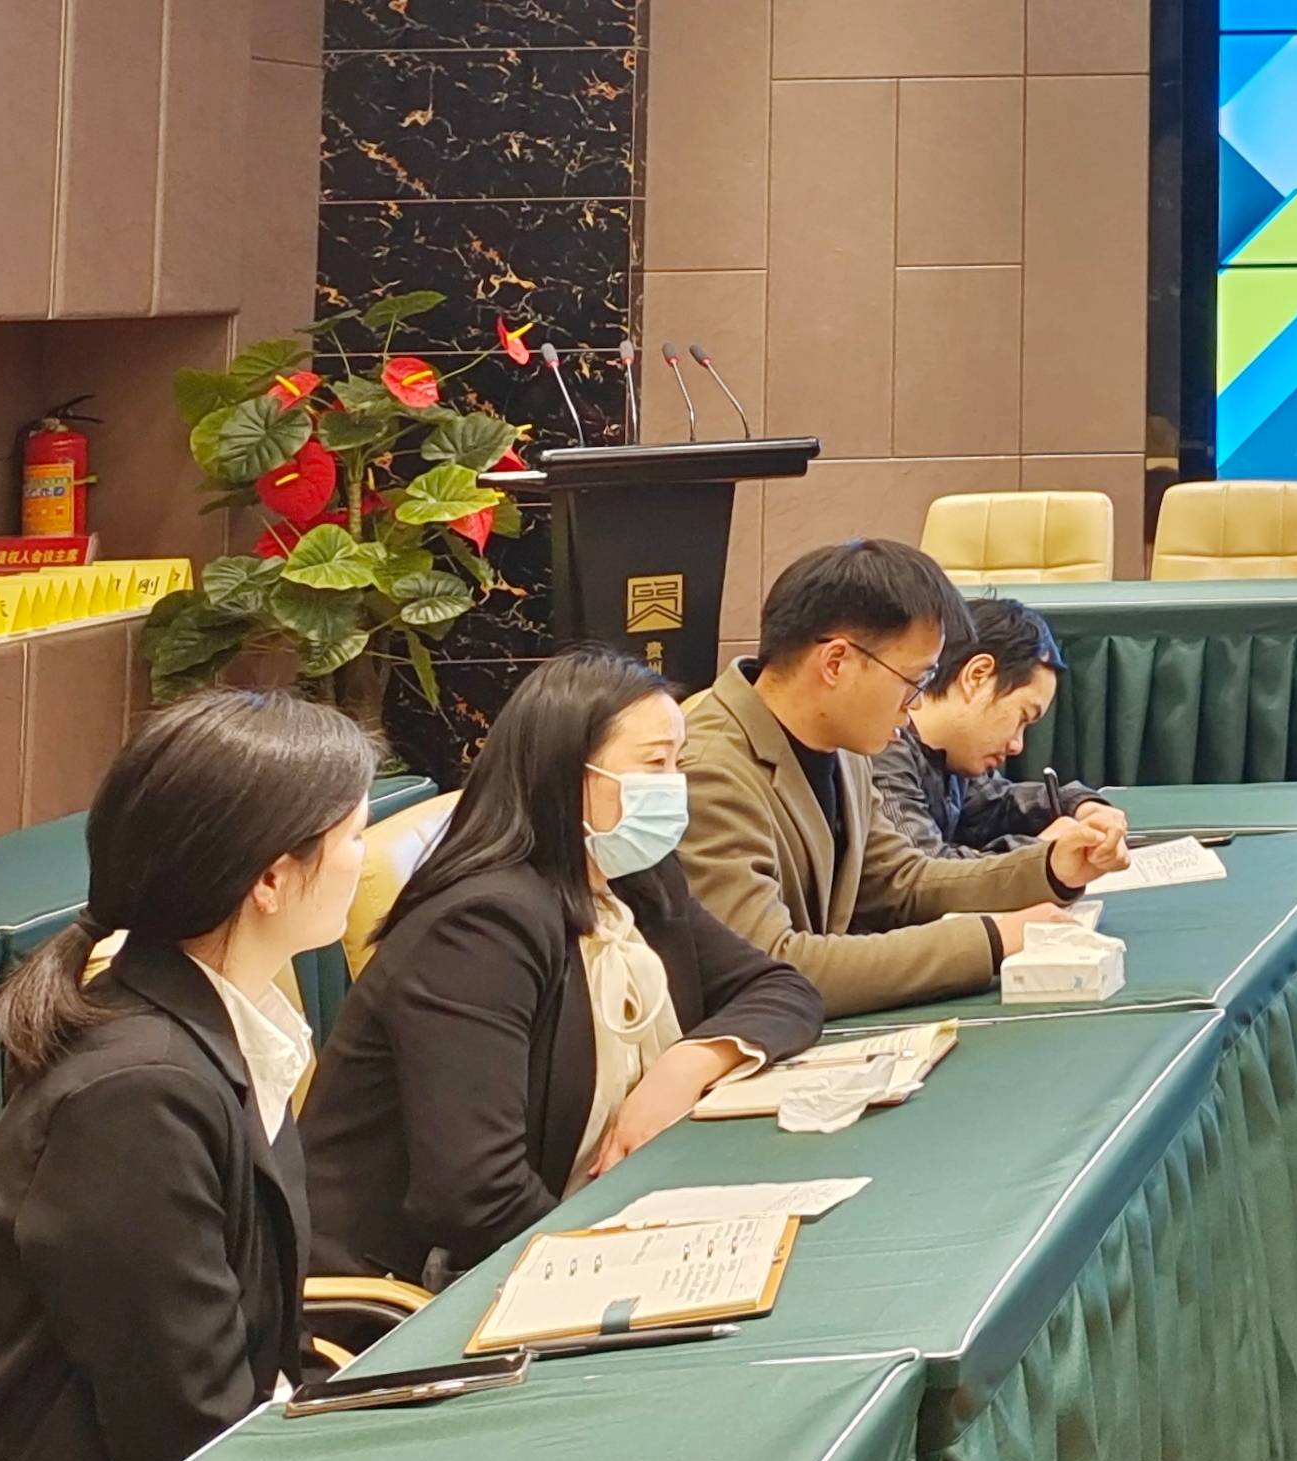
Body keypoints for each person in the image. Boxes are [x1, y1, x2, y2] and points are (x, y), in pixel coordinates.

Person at [0, 690, 372, 1461]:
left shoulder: (214, 1028)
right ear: (271, 879)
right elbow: (183, 1427)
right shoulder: (138, 1093)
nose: (364, 861)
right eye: (355, 837)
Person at [303, 650, 825, 1286]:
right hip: (423, 1288)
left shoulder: (634, 878)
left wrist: (686, 1066)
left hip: (585, 1225)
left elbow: (782, 989)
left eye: (678, 762)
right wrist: (628, 1268)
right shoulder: (479, 928)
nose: (674, 786)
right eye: (654, 764)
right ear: (566, 775)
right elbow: (475, 1197)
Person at [678, 538, 1130, 1018]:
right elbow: (771, 964)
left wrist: (1051, 869)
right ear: (835, 662)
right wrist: (991, 940)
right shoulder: (710, 771)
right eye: (914, 681)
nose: (916, 704)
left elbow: (901, 882)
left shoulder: (841, 742)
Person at [872, 596, 1127, 860]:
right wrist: (1044, 853)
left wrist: (1082, 805)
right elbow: (928, 872)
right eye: (1022, 717)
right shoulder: (884, 752)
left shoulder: (951, 757)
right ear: (978, 676)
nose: (1017, 745)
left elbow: (999, 803)